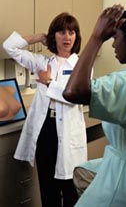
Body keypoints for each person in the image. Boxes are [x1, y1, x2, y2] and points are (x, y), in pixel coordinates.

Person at [63, 4, 126, 207]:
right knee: (82, 171)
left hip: (125, 188)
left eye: (115, 37)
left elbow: (73, 91)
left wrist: (96, 38)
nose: (112, 45)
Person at [3, 12, 88, 207]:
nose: (67, 37)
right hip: (45, 129)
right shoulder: (42, 62)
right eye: (61, 32)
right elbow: (9, 47)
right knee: (48, 188)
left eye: (71, 32)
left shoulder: (82, 65)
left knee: (70, 189)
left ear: (76, 37)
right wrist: (38, 37)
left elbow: (74, 96)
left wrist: (48, 82)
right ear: (54, 36)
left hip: (68, 132)